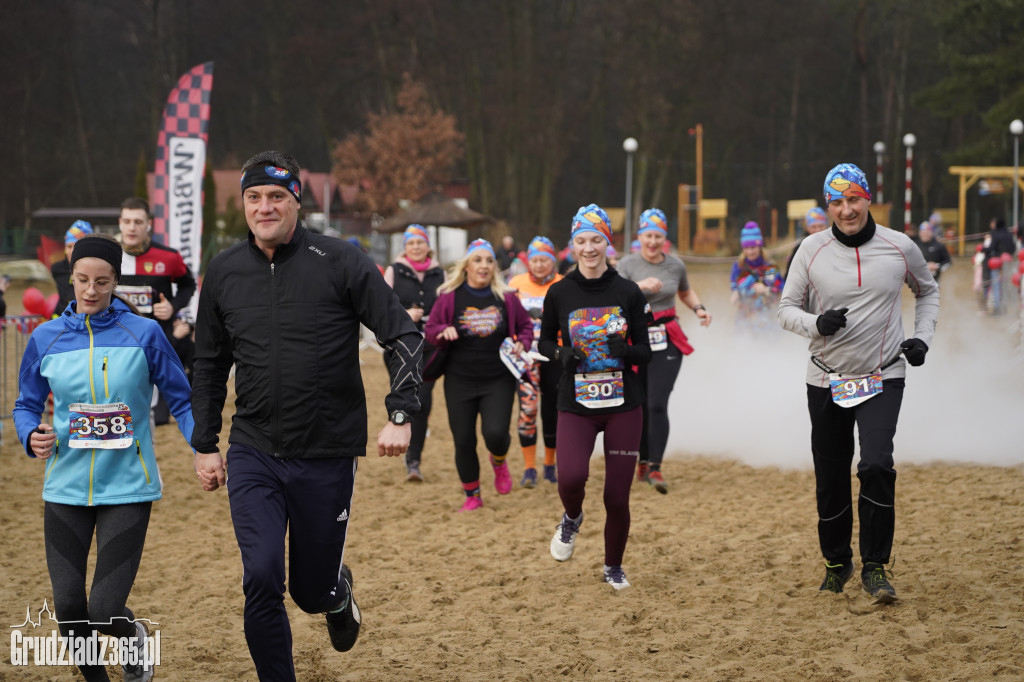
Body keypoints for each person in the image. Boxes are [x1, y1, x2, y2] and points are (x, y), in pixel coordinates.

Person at [190, 151, 422, 680]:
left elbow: (402, 334)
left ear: (296, 201)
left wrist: (401, 412)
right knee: (262, 577)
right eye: (254, 197)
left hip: (327, 451)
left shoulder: (340, 260)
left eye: (276, 197)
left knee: (309, 590)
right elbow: (207, 364)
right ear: (243, 204)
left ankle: (337, 595)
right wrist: (205, 443)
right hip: (254, 452)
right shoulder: (224, 271)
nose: (264, 207)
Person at [13, 233, 194, 682]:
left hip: (128, 486)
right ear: (71, 279)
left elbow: (183, 400)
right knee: (71, 606)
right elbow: (25, 405)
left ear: (116, 282)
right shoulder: (46, 338)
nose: (91, 291)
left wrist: (202, 449)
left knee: (104, 609)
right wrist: (29, 435)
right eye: (82, 280)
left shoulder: (144, 333)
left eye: (102, 281)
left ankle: (130, 632)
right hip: (65, 486)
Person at [778, 163, 938, 603]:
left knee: (875, 465)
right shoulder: (810, 249)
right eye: (836, 202)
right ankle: (836, 562)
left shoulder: (899, 246)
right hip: (826, 378)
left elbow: (928, 291)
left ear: (868, 199)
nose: (846, 210)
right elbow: (785, 308)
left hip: (884, 373)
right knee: (831, 475)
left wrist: (922, 338)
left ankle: (874, 567)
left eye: (853, 199)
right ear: (828, 205)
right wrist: (816, 323)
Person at [540, 204, 652, 589]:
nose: (589, 248)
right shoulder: (559, 292)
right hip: (576, 401)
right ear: (572, 245)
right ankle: (571, 519)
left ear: (608, 242)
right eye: (581, 240)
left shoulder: (628, 291)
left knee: (616, 496)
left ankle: (613, 566)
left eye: (596, 240)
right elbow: (543, 340)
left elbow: (647, 349)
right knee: (571, 477)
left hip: (623, 403)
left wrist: (627, 350)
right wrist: (560, 353)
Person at [424, 238, 532, 510]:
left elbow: (526, 327)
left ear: (495, 267)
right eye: (478, 260)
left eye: (489, 261)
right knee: (463, 440)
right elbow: (431, 329)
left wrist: (523, 342)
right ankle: (472, 496)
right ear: (466, 266)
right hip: (459, 379)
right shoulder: (450, 296)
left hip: (498, 379)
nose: (484, 265)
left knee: (495, 433)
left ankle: (498, 460)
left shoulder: (506, 297)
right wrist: (441, 332)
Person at [616, 208, 711, 493]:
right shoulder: (627, 264)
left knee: (657, 403)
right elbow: (615, 294)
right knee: (639, 405)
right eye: (648, 235)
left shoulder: (675, 265)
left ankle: (655, 467)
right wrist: (639, 286)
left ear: (664, 237)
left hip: (667, 337)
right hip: (635, 338)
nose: (653, 241)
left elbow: (684, 291)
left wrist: (699, 308)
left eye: (658, 236)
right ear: (640, 236)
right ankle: (641, 462)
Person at [116, 197, 197, 425]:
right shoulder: (108, 256)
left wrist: (173, 306)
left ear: (149, 223)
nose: (132, 227)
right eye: (128, 221)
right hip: (116, 341)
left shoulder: (168, 257)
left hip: (154, 342)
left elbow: (188, 285)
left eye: (138, 222)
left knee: (157, 419)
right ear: (120, 222)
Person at [383, 224, 446, 482]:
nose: (416, 247)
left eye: (420, 243)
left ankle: (414, 460)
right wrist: (403, 315)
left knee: (423, 400)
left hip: (431, 346)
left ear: (427, 245)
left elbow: (446, 304)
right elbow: (381, 305)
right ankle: (410, 458)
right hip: (400, 345)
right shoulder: (393, 270)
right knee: (410, 397)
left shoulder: (439, 273)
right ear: (405, 247)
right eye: (411, 243)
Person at [507, 236, 563, 487]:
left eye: (544, 260)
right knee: (528, 410)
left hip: (555, 355)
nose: (539, 265)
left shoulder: (563, 284)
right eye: (535, 260)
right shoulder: (515, 283)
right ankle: (529, 468)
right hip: (526, 357)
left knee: (553, 412)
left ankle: (550, 465)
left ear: (553, 262)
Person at [729, 222, 784, 333]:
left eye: (753, 247)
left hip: (767, 319)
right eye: (747, 248)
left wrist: (766, 290)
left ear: (759, 246)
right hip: (744, 318)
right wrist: (735, 292)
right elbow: (734, 286)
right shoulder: (739, 266)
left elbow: (781, 291)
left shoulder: (770, 267)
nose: (750, 251)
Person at [51, 220, 93, 315]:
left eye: (76, 246)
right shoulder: (57, 269)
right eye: (69, 246)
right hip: (60, 320)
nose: (72, 251)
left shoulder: (97, 270)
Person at [981, 217, 1017, 314]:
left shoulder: (996, 235)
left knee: (996, 285)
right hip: (1007, 263)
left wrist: (983, 248)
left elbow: (991, 248)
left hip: (996, 264)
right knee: (1005, 285)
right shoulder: (1009, 235)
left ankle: (997, 308)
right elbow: (1013, 249)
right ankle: (1005, 307)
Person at [785, 207, 828, 279]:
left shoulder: (832, 244)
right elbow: (789, 275)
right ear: (807, 228)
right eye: (813, 227)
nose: (818, 230)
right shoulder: (800, 247)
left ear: (826, 225)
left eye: (821, 226)